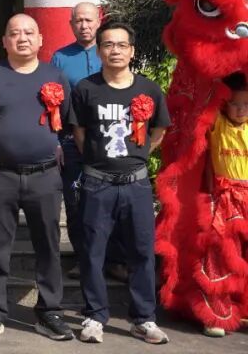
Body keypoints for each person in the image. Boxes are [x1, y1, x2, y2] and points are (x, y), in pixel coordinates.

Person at [0, 15, 74, 341]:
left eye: (29, 33)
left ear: (40, 40)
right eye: (14, 33)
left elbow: (66, 123)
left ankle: (49, 311)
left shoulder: (55, 76)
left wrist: (53, 147)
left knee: (48, 246)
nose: (22, 38)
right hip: (0, 175)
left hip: (44, 176)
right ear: (4, 41)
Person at [69, 21, 171, 345]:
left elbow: (158, 132)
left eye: (122, 45)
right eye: (109, 45)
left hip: (136, 186)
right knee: (93, 252)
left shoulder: (149, 90)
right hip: (96, 184)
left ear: (132, 51)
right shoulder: (85, 89)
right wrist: (100, 162)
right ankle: (94, 316)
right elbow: (80, 134)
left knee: (142, 252)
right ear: (99, 50)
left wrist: (135, 158)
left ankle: (143, 318)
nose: (115, 50)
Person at [50, 2, 120, 279]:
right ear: (71, 24)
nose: (84, 25)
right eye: (78, 21)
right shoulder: (60, 58)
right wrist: (55, 141)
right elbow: (52, 104)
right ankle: (84, 259)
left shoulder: (112, 52)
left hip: (109, 138)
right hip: (71, 140)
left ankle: (114, 259)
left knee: (112, 201)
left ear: (99, 21)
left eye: (89, 20)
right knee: (76, 202)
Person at [196, 72, 248, 337]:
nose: (240, 109)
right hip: (225, 200)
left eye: (246, 104)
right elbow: (208, 96)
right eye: (235, 104)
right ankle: (217, 315)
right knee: (220, 255)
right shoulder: (217, 125)